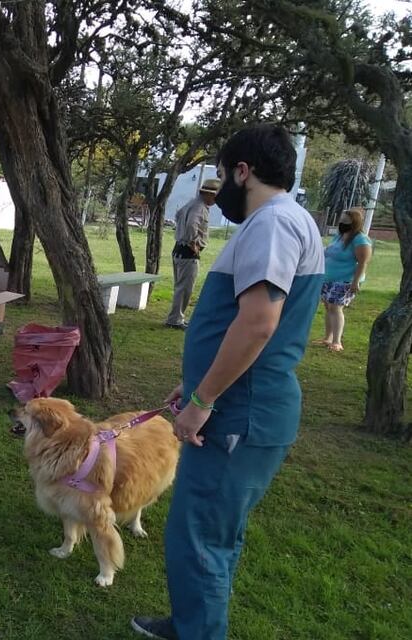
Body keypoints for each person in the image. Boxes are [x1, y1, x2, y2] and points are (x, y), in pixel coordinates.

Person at [131, 124, 324, 640]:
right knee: (213, 533)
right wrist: (191, 380)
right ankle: (192, 623)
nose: (220, 193)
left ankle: (198, 633)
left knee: (199, 537)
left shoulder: (273, 224)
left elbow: (259, 323)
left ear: (243, 171)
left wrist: (203, 397)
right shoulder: (290, 220)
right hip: (241, 406)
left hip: (238, 412)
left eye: (222, 174)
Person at [315, 207, 373, 352]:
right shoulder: (340, 236)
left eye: (345, 220)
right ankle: (327, 338)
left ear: (354, 222)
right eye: (341, 219)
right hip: (329, 278)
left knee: (336, 308)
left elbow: (363, 262)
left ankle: (337, 341)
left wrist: (355, 282)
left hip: (345, 280)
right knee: (328, 307)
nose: (341, 222)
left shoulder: (360, 239)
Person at [165, 178, 221, 329]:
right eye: (215, 197)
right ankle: (175, 319)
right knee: (184, 289)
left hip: (179, 249)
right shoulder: (199, 207)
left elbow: (178, 216)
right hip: (187, 252)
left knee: (180, 287)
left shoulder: (191, 203)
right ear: (209, 195)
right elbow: (191, 225)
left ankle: (177, 317)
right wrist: (193, 242)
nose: (216, 201)